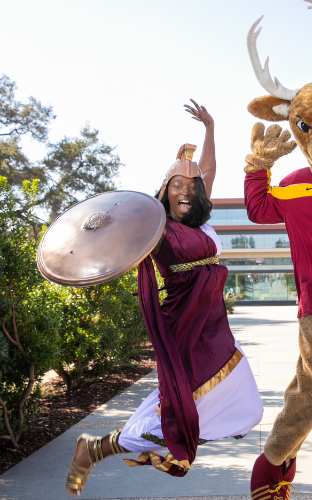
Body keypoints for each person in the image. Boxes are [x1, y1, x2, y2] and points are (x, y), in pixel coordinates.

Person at [66, 101, 263, 498]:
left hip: (212, 323)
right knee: (178, 409)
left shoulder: (200, 222)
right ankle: (98, 448)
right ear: (165, 190)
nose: (186, 190)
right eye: (177, 185)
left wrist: (210, 128)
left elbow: (208, 170)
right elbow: (111, 239)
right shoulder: (154, 227)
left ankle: (102, 446)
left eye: (192, 186)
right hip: (185, 324)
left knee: (244, 404)